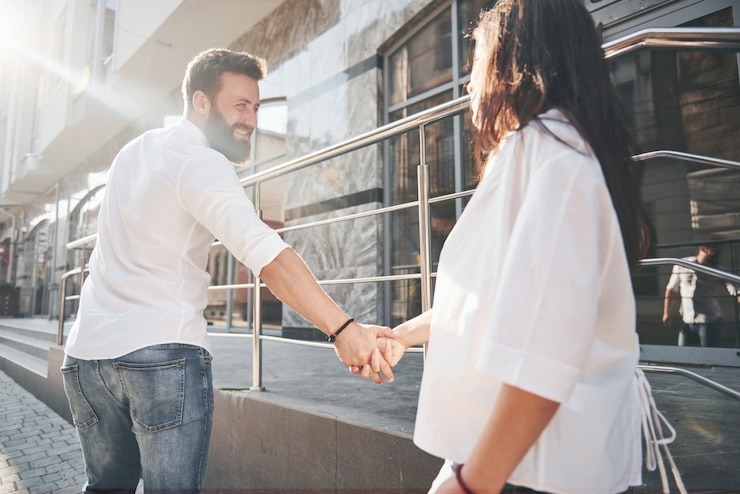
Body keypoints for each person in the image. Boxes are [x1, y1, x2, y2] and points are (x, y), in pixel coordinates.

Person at [356, 1, 675, 493]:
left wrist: (471, 482)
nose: (468, 84)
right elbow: (488, 301)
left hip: (535, 469)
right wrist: (401, 336)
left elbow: (547, 353)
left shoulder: (557, 162)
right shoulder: (527, 155)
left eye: (478, 62)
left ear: (514, 65)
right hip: (507, 460)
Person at [61, 48, 393, 493]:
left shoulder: (135, 150)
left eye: (255, 107)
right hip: (160, 358)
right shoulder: (200, 161)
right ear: (201, 102)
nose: (252, 119)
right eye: (240, 105)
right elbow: (267, 256)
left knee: (104, 488)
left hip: (87, 357)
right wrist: (344, 329)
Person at [662, 243, 740, 347]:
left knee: (709, 357)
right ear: (703, 249)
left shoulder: (716, 269)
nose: (716, 255)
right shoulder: (682, 264)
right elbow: (671, 289)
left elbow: (735, 288)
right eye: (713, 252)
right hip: (687, 320)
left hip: (709, 321)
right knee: (684, 355)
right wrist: (666, 312)